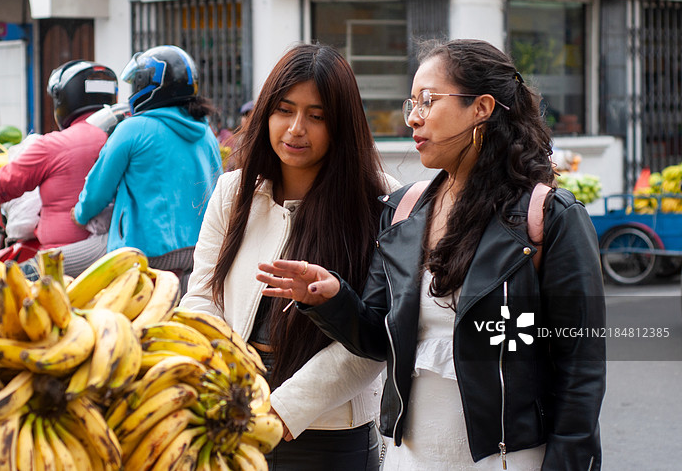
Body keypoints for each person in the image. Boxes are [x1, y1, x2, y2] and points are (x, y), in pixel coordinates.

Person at [258, 39, 606, 470]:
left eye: (428, 101)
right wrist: (331, 299)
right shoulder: (403, 210)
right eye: (411, 103)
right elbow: (376, 339)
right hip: (409, 458)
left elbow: (581, 371)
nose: (414, 118)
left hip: (506, 459)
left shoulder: (549, 217)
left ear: (481, 107)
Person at [180, 42, 400, 470]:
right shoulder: (235, 191)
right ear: (265, 113)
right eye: (284, 110)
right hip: (231, 404)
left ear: (341, 125)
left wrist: (281, 410)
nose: (296, 128)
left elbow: (374, 337)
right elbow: (202, 297)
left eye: (316, 116)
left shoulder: (381, 202)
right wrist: (216, 384)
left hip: (328, 428)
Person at [73, 45, 223, 292]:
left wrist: (79, 214)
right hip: (198, 252)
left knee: (43, 267)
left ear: (149, 86)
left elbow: (97, 192)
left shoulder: (133, 129)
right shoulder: (205, 132)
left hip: (145, 253)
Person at [0, 60, 118, 275]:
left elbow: (7, 182)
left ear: (63, 99)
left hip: (64, 262)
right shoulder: (128, 132)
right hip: (128, 250)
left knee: (2, 289)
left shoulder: (57, 144)